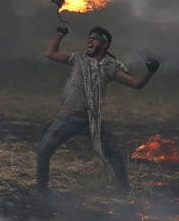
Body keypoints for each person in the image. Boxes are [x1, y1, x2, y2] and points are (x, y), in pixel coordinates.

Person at [37, 25, 160, 195]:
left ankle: (124, 190)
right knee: (43, 150)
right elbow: (50, 53)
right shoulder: (77, 59)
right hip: (67, 118)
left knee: (114, 154)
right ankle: (42, 191)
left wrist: (150, 71)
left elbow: (135, 83)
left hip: (91, 120)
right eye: (89, 38)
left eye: (94, 39)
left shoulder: (108, 68)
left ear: (104, 45)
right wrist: (60, 33)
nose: (89, 40)